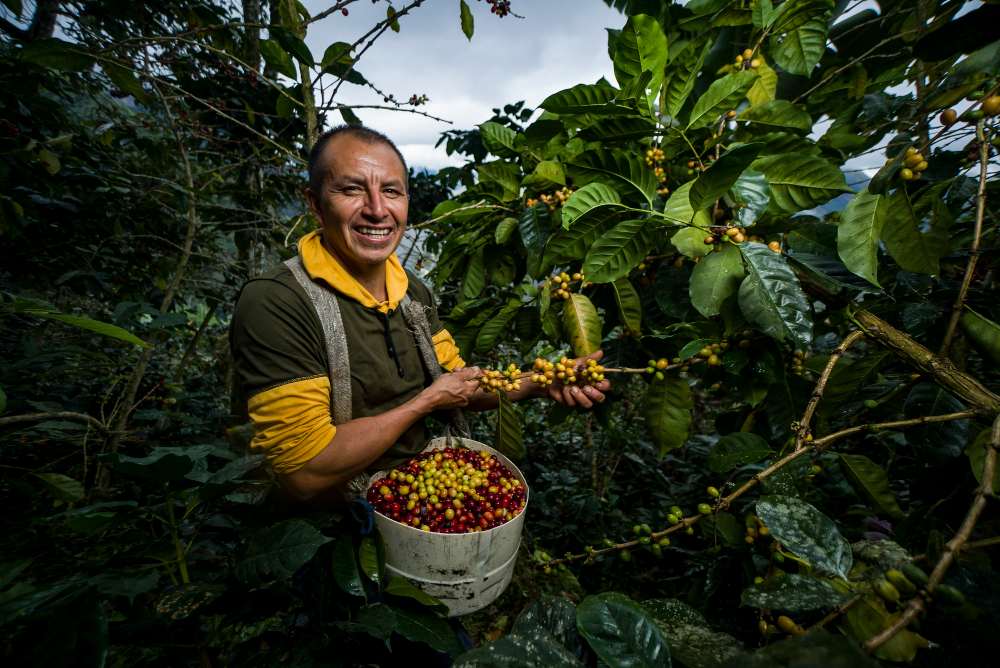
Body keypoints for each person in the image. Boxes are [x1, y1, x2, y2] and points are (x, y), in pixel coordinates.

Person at [229, 125, 609, 504]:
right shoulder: (278, 302)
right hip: (334, 530)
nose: (377, 210)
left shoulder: (412, 291)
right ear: (314, 203)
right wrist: (424, 402)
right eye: (351, 189)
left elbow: (456, 384)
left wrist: (542, 381)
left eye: (391, 191)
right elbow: (303, 472)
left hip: (421, 502)